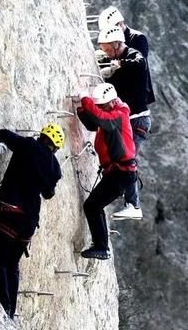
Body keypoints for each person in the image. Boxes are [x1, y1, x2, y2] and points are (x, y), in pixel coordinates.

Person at [0, 123, 64, 318]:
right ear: (55, 147)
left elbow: (4, 134)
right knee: (12, 265)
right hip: (29, 222)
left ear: (42, 136)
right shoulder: (55, 168)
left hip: (12, 213)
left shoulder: (30, 145)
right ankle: (10, 312)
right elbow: (48, 193)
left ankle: (3, 309)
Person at [76, 83, 137, 259]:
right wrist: (81, 110)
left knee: (92, 206)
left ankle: (102, 247)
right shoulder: (111, 116)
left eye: (102, 105)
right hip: (117, 173)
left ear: (111, 102)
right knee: (94, 205)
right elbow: (93, 124)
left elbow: (100, 117)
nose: (100, 108)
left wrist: (85, 98)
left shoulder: (119, 115)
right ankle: (102, 246)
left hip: (120, 173)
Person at [96, 25, 151, 220]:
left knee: (127, 161)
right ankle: (126, 197)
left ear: (118, 44)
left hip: (138, 121)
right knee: (120, 160)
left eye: (108, 49)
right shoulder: (115, 59)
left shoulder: (133, 56)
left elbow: (139, 61)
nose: (106, 53)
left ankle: (133, 204)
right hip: (131, 121)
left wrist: (118, 65)